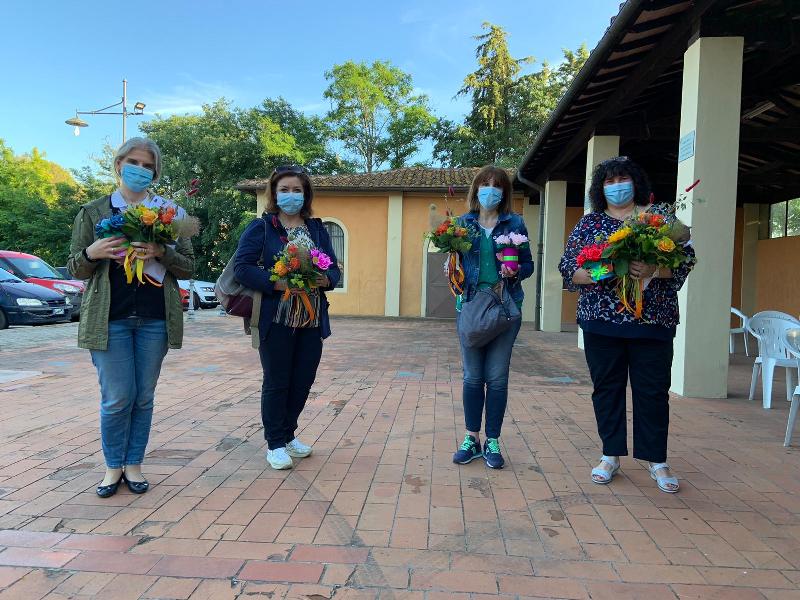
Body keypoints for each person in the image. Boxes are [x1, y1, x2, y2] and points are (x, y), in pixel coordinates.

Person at [558, 156, 696, 493]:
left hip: (653, 320)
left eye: (623, 179)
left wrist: (653, 270)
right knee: (607, 388)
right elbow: (568, 268)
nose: (617, 186)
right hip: (601, 322)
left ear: (636, 183)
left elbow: (686, 258)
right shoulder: (589, 224)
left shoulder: (657, 219)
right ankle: (610, 455)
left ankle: (657, 460)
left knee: (653, 391)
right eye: (610, 181)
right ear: (600, 188)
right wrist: (608, 269)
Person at [67, 137, 194, 498]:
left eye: (148, 165)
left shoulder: (172, 213)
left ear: (156, 172)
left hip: (155, 318)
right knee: (117, 397)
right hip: (110, 318)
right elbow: (75, 267)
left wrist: (161, 251)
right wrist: (92, 252)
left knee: (143, 397)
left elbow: (189, 266)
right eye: (134, 162)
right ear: (119, 164)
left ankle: (134, 464)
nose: (140, 169)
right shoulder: (93, 211)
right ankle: (113, 467)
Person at [234, 165, 340, 470]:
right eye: (284, 190)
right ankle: (275, 444)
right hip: (276, 317)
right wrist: (276, 282)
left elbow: (333, 269)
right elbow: (242, 268)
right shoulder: (262, 227)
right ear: (274, 194)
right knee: (277, 381)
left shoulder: (317, 229)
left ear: (305, 194)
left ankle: (288, 434)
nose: (290, 195)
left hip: (311, 319)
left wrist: (326, 279)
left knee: (303, 380)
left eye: (297, 190)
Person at [450, 165, 533, 469]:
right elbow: (455, 263)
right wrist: (451, 265)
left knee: (496, 378)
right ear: (476, 189)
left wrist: (516, 270)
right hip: (471, 306)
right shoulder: (463, 224)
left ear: (504, 192)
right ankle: (472, 438)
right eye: (485, 184)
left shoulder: (515, 223)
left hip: (505, 307)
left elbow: (528, 265)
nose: (490, 190)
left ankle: (493, 440)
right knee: (472, 376)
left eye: (497, 185)